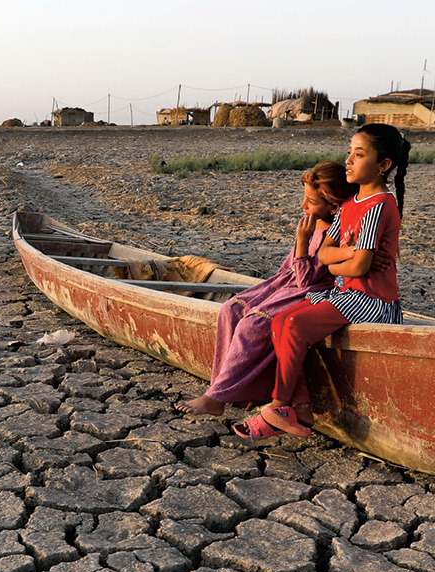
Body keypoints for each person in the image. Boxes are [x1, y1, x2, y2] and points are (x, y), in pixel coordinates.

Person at [234, 123, 410, 440]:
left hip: (372, 302)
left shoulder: (380, 205)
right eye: (349, 153)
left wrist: (351, 257)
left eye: (359, 155)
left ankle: (278, 405)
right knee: (278, 322)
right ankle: (301, 407)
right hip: (346, 295)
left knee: (296, 327)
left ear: (383, 165)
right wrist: (353, 252)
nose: (349, 162)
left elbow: (358, 268)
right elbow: (326, 254)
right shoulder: (348, 206)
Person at [173, 162, 354, 415]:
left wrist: (302, 242)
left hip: (307, 289)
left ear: (333, 206)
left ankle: (217, 397)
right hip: (286, 282)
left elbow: (306, 280)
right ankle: (226, 390)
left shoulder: (334, 233)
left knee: (252, 326)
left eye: (310, 202)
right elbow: (287, 268)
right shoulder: (310, 224)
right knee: (230, 309)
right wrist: (267, 291)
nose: (303, 207)